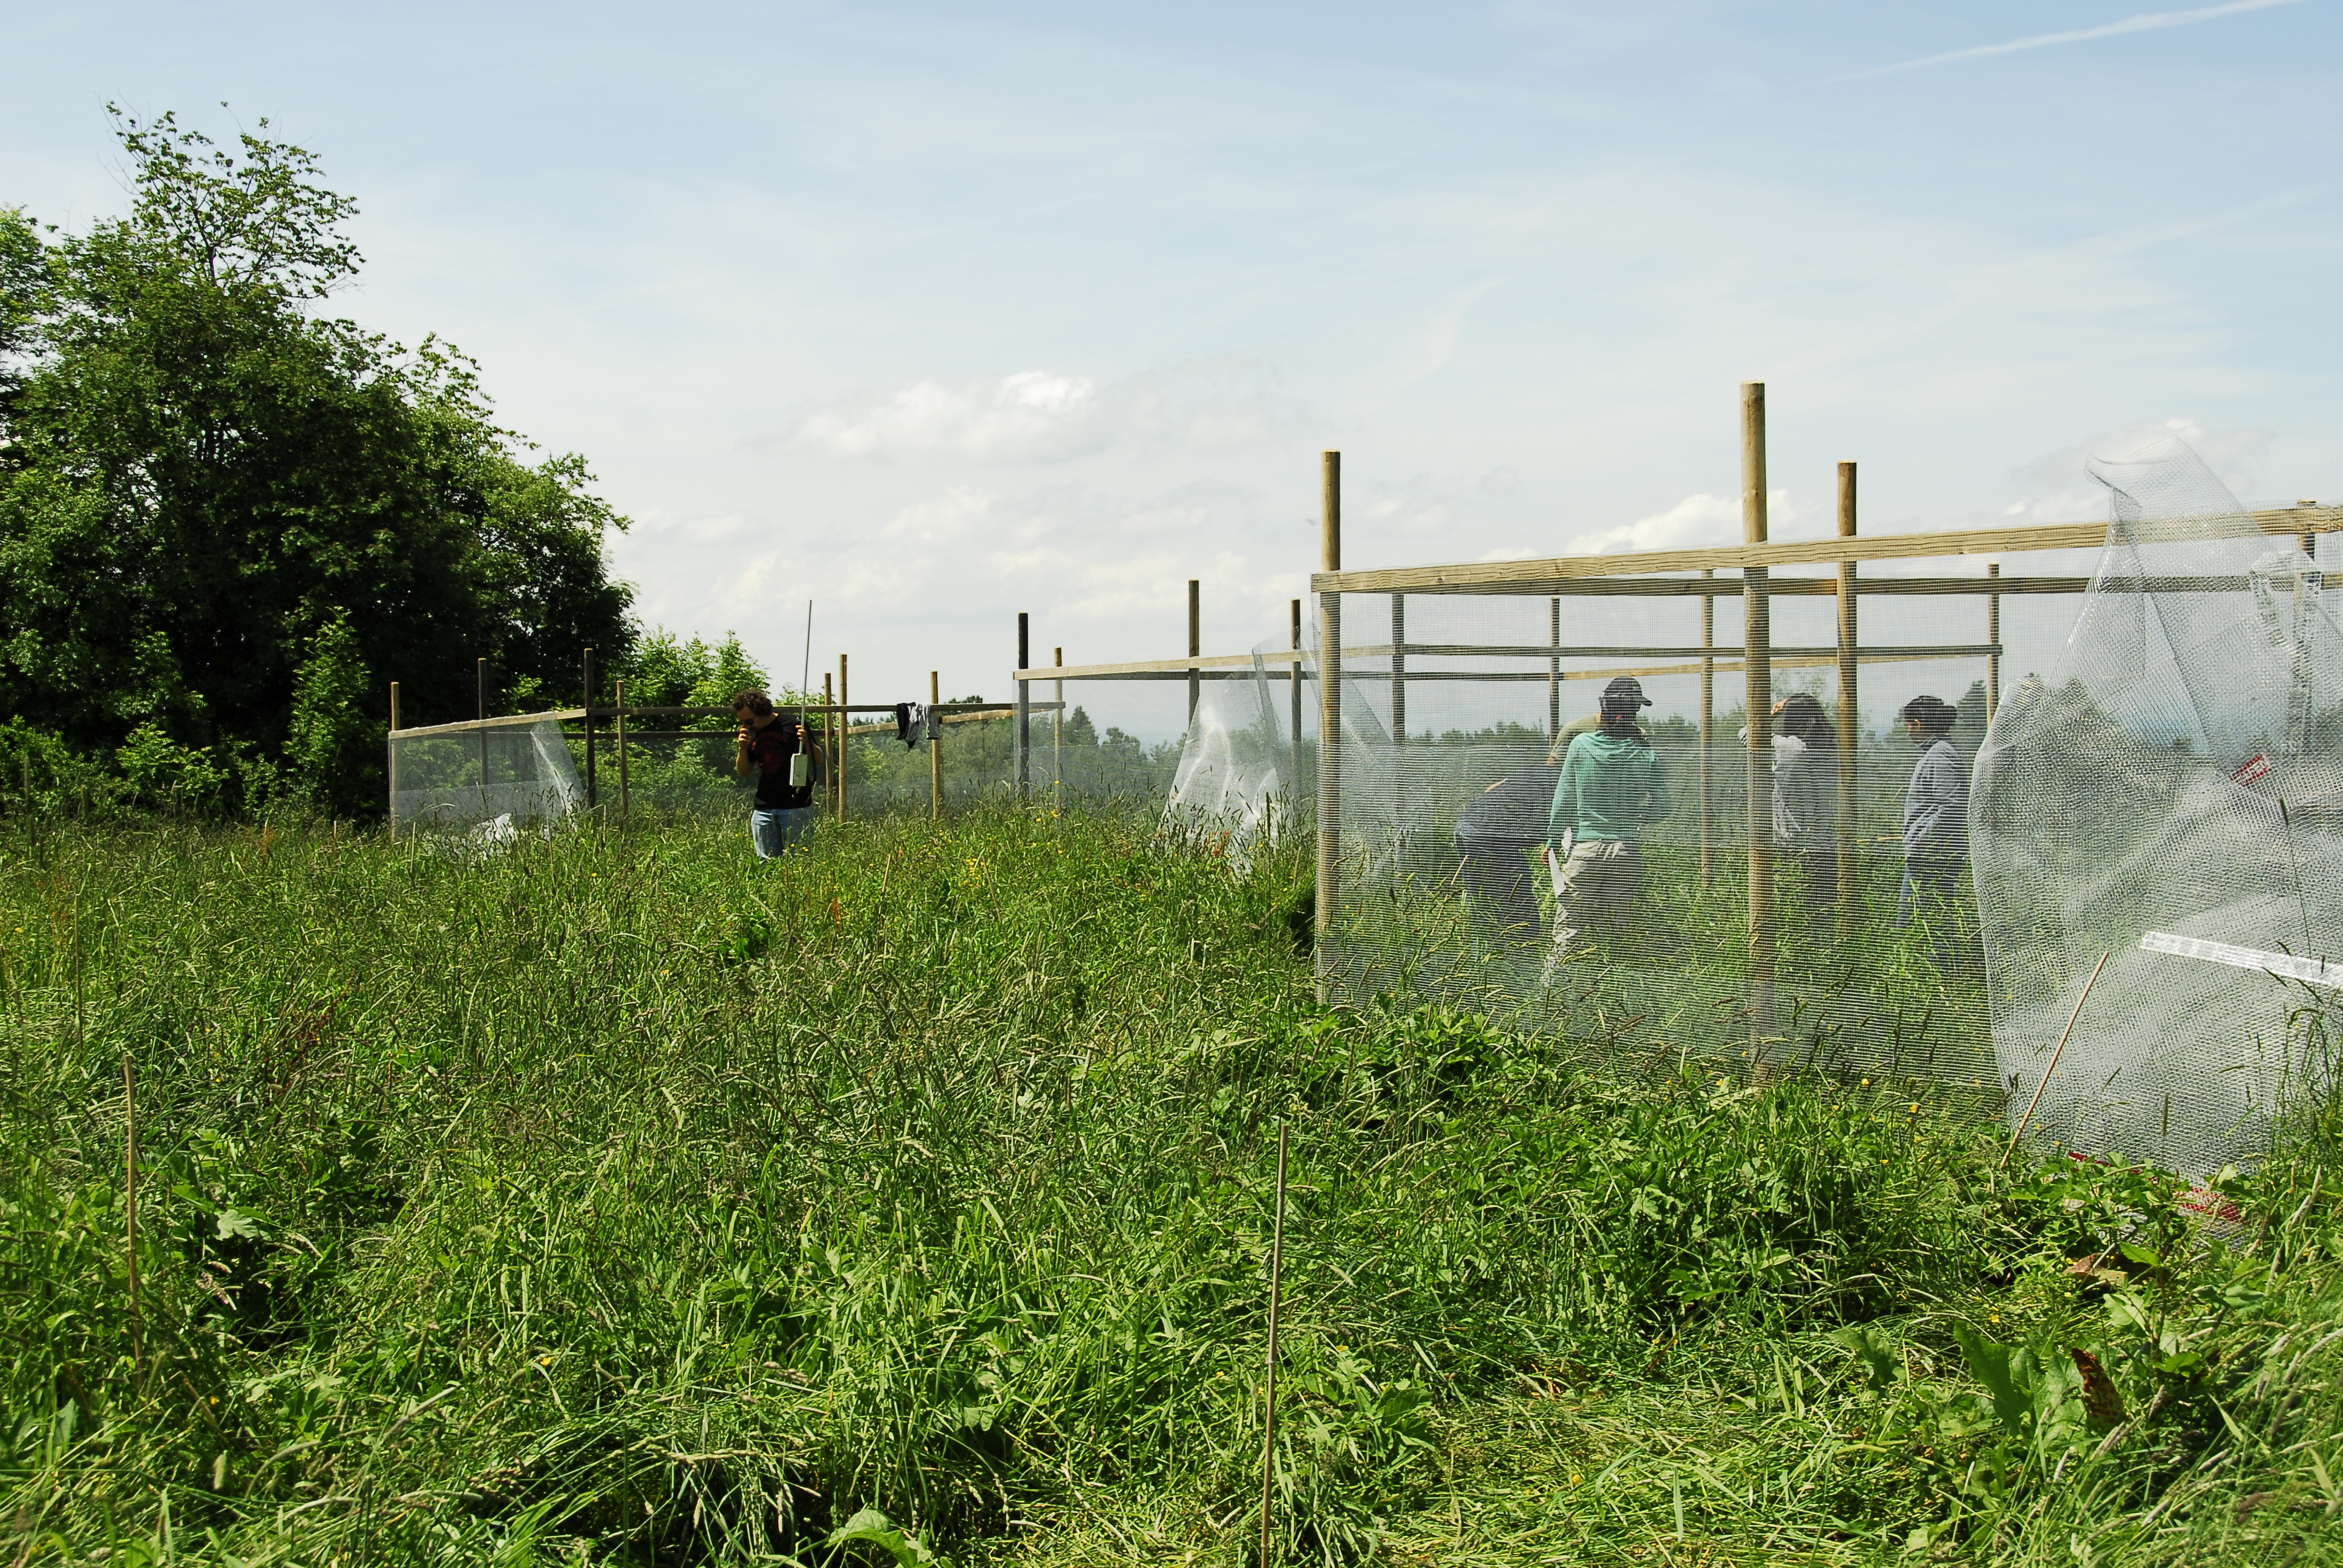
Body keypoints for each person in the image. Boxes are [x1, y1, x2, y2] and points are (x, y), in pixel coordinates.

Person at [1547, 676, 1673, 962]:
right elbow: (1664, 807)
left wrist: (1553, 841)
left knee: (1569, 931)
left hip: (1586, 850)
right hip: (1626, 850)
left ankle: (1551, 995)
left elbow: (1563, 799)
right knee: (1617, 931)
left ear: (1603, 710)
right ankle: (1613, 990)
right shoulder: (1644, 752)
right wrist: (1637, 817)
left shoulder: (1580, 745)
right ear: (1634, 714)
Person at [1452, 755, 1559, 950]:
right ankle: (1520, 951)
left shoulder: (1538, 772)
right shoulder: (1571, 780)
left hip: (1467, 825)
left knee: (1482, 897)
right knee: (1515, 898)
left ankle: (1488, 951)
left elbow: (1493, 788)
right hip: (1489, 835)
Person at [1742, 692, 1840, 903]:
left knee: (1795, 905)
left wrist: (1771, 714)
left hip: (1792, 841)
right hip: (1826, 842)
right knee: (1824, 908)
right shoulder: (1832, 749)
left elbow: (1746, 733)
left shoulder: (1790, 747)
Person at [1897, 694, 1970, 953]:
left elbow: (1950, 806)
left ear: (1919, 723)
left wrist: (1920, 839)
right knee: (1928, 918)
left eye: (1909, 725)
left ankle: (1944, 975)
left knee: (1920, 921)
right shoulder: (1938, 752)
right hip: (1931, 851)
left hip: (1933, 854)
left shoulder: (1940, 756)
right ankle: (1944, 975)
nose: (1908, 732)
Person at [733, 689, 819, 858]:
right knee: (766, 864)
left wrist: (808, 743)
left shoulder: (794, 723)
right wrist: (742, 749)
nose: (747, 726)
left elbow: (819, 759)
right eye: (744, 723)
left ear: (762, 711)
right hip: (764, 808)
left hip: (796, 806)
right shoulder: (751, 734)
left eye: (750, 721)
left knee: (801, 861)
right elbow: (744, 772)